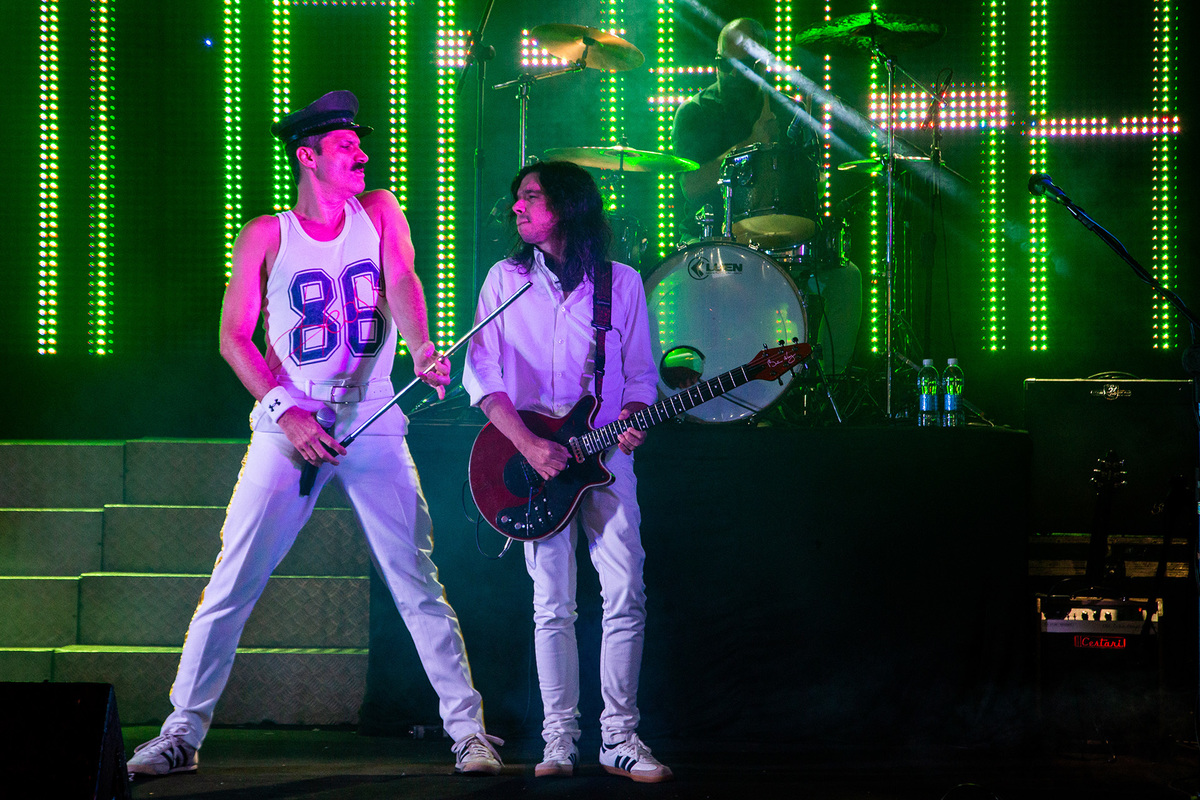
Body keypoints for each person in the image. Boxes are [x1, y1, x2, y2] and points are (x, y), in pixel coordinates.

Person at [126, 90, 502, 778]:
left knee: (416, 580)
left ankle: (469, 732)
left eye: (360, 144)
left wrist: (421, 345)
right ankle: (180, 735)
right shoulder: (266, 235)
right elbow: (233, 338)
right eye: (345, 146)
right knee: (232, 581)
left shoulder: (379, 210)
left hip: (373, 416)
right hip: (290, 420)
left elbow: (403, 278)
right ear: (308, 157)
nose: (361, 154)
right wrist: (284, 410)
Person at [462, 161, 672, 784]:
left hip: (605, 460)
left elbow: (641, 374)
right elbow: (483, 374)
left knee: (625, 592)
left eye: (530, 196)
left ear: (569, 205)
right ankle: (560, 738)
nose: (517, 207)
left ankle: (619, 738)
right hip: (536, 460)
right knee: (551, 603)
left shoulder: (620, 282)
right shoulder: (505, 280)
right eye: (517, 197)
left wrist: (632, 418)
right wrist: (529, 446)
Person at [672, 17, 862, 377]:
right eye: (722, 63)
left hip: (779, 243)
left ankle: (824, 386)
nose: (729, 73)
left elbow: (807, 187)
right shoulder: (696, 112)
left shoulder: (786, 110)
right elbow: (691, 187)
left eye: (740, 65)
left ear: (762, 65)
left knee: (845, 278)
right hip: (712, 242)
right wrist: (751, 143)